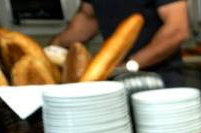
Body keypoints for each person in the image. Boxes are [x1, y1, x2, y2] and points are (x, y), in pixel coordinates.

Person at [51, 1, 189, 86]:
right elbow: (88, 19)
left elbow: (177, 30)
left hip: (158, 80)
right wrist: (54, 46)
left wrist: (130, 65)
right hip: (117, 81)